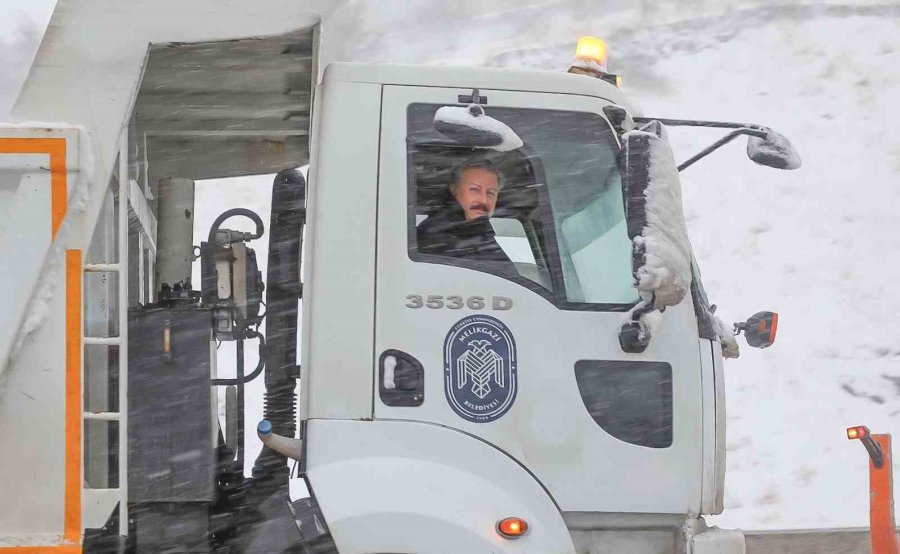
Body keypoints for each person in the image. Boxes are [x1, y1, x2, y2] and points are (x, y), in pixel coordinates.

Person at [416, 159, 514, 266]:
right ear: (454, 190)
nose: (483, 200)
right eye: (474, 189)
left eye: (490, 193)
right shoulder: (433, 236)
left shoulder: (483, 237)